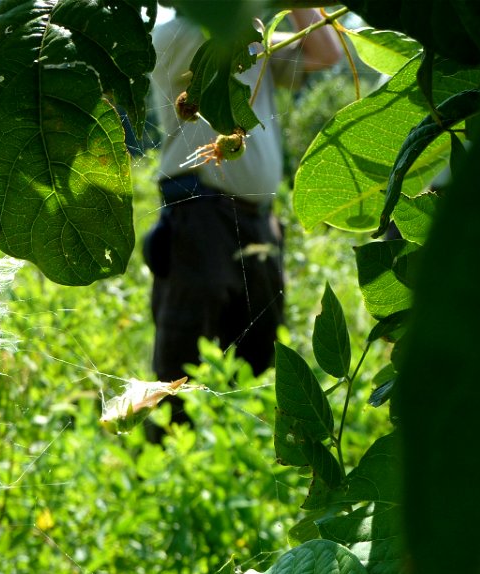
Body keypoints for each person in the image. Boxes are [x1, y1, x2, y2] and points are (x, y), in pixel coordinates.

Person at [145, 6, 342, 430]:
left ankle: (233, 458)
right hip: (201, 215)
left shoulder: (256, 41)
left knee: (259, 357)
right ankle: (166, 466)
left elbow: (327, 54)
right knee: (182, 360)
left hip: (259, 220)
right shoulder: (177, 35)